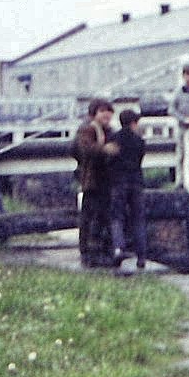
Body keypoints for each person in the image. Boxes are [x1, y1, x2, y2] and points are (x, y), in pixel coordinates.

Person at [72, 98, 119, 267]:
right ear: (94, 114)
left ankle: (105, 252)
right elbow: (83, 148)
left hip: (107, 180)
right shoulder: (87, 130)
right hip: (93, 180)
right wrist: (104, 149)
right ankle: (89, 254)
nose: (106, 114)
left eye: (109, 111)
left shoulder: (110, 131)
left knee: (105, 217)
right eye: (102, 111)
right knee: (90, 217)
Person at [108, 109, 147, 270]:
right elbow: (140, 159)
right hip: (136, 182)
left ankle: (119, 248)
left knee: (117, 217)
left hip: (118, 182)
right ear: (133, 123)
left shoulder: (114, 139)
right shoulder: (140, 141)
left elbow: (109, 159)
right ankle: (141, 256)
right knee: (138, 218)